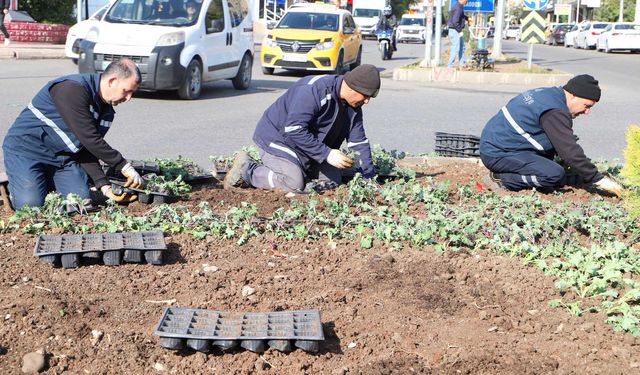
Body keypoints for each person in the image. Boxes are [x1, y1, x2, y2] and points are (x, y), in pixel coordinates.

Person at [2, 58, 145, 209]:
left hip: (62, 159)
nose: (129, 98)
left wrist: (104, 186)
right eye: (127, 90)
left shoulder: (107, 111)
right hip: (26, 151)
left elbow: (86, 148)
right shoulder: (71, 88)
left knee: (80, 202)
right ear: (112, 81)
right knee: (31, 206)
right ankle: (17, 185)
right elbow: (90, 138)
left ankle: (40, 182)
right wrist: (123, 165)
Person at [223, 64, 381, 193]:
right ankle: (248, 171)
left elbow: (358, 142)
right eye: (366, 95)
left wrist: (369, 179)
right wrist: (326, 153)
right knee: (294, 182)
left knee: (333, 180)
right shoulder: (313, 90)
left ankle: (298, 175)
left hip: (307, 147)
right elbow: (294, 130)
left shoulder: (354, 107)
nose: (367, 101)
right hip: (279, 139)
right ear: (353, 87)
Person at [479, 74, 624, 196]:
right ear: (573, 95)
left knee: (560, 149)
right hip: (498, 153)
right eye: (586, 106)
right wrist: (597, 178)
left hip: (500, 144)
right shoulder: (555, 111)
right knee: (553, 174)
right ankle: (500, 179)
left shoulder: (550, 94)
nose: (586, 112)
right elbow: (569, 150)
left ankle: (537, 179)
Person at [447, 0, 468, 68]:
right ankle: (450, 66)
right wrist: (459, 31)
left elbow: (460, 16)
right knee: (455, 48)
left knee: (462, 47)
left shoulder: (458, 6)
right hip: (455, 30)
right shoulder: (458, 7)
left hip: (456, 30)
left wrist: (467, 18)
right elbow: (455, 21)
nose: (467, 1)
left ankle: (462, 63)